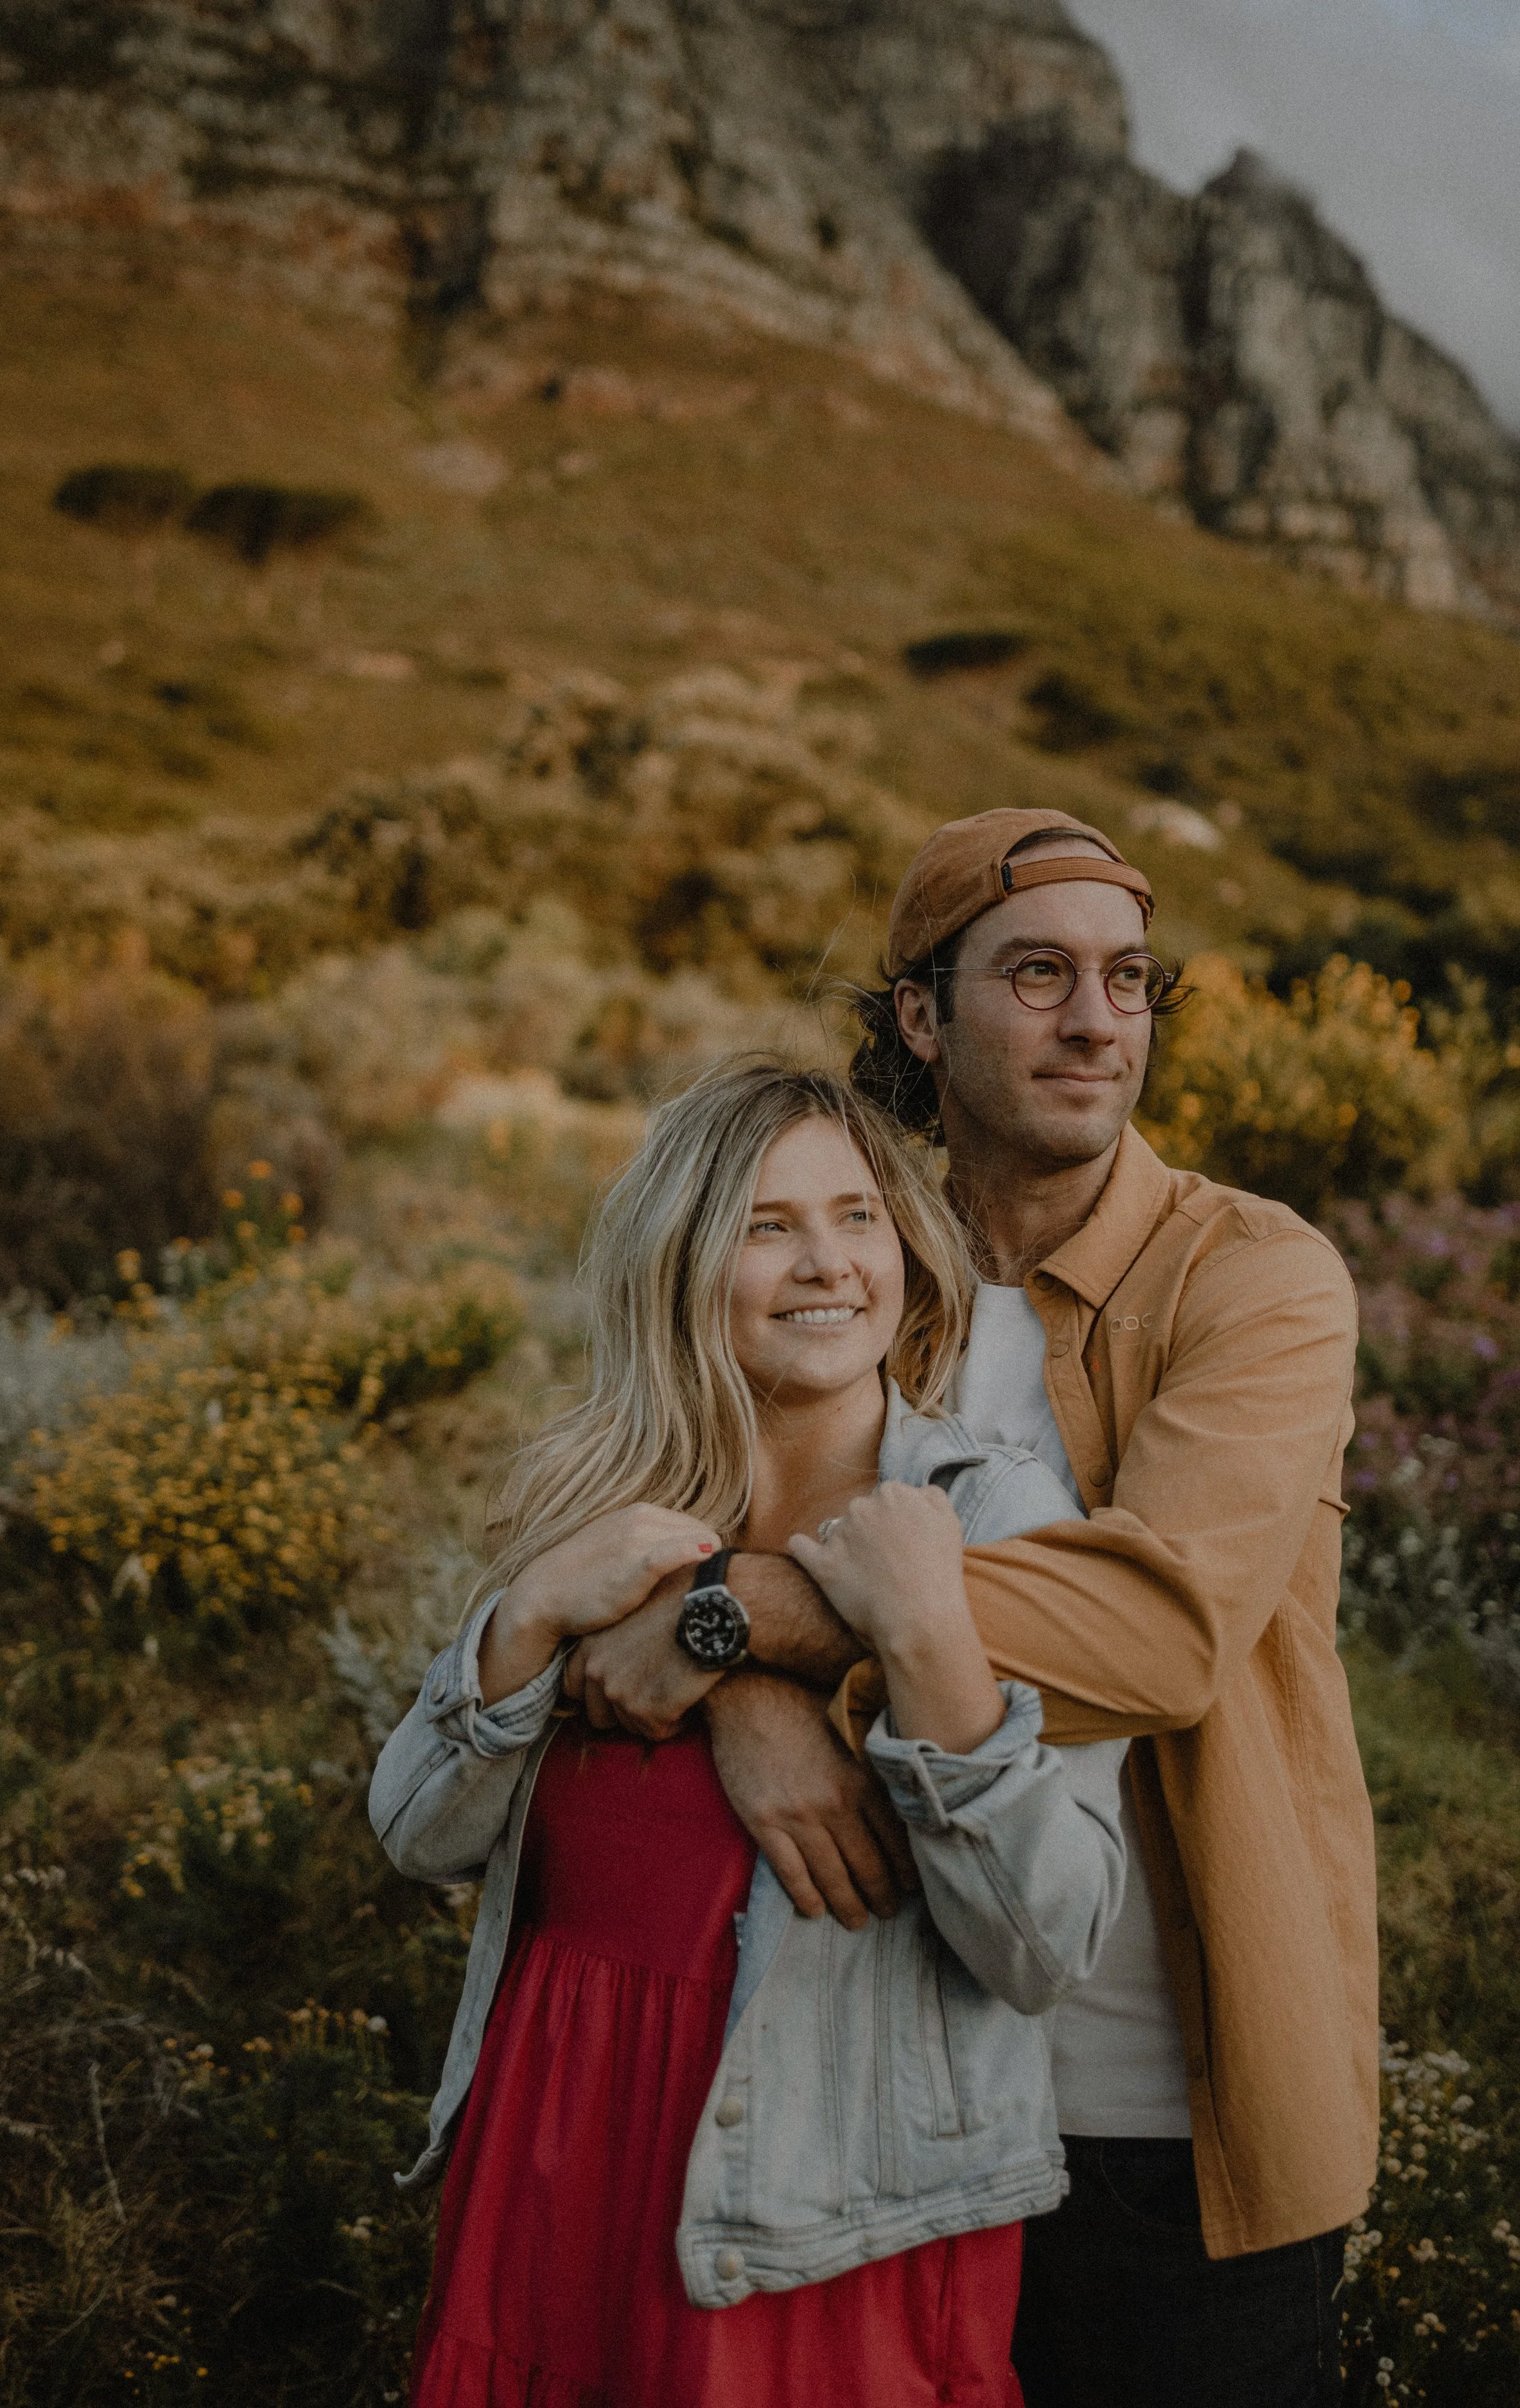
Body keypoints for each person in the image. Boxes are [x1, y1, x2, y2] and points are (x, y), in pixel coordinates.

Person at [554, 809, 1374, 2408]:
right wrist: (742, 1690)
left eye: (1127, 980)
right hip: (870, 2098)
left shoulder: (1255, 1280)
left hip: (1163, 2120)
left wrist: (741, 1624)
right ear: (919, 1016)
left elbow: (1153, 1638)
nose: (1094, 1020)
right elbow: (647, 1529)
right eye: (1038, 975)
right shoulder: (855, 1263)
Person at [371, 1061, 1132, 2408]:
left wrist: (925, 1640)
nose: (823, 1264)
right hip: (552, 2164)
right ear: (683, 1254)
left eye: (855, 1217)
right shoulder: (604, 1501)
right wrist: (547, 1611)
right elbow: (420, 1830)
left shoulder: (984, 1516)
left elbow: (1042, 1941)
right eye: (767, 1225)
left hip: (830, 2200)